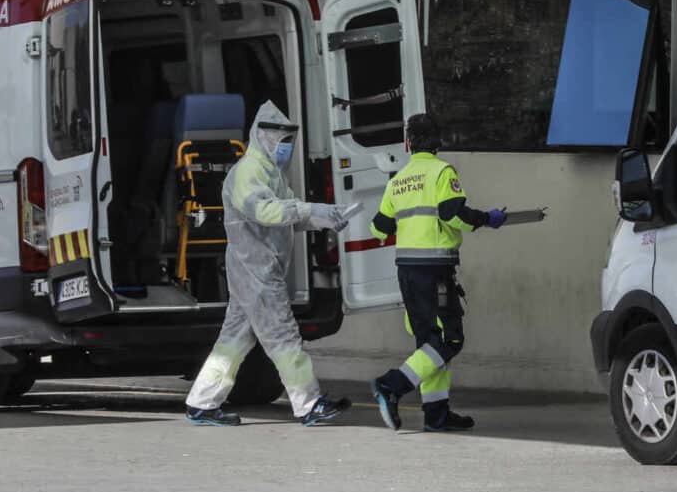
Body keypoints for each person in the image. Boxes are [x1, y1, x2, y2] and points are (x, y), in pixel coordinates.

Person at [186, 100, 351, 427]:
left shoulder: (270, 172)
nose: (286, 147)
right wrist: (309, 209)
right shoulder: (248, 172)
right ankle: (309, 403)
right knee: (284, 335)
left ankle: (202, 403)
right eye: (282, 140)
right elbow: (266, 212)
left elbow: (287, 217)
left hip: (256, 269)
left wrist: (323, 218)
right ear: (263, 137)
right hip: (257, 270)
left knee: (233, 341)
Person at [369, 113, 506, 432]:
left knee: (428, 342)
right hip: (435, 270)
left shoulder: (398, 179)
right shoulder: (442, 171)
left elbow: (379, 228)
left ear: (408, 143)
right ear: (437, 141)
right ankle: (391, 385)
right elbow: (452, 215)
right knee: (449, 338)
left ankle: (436, 414)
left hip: (407, 271)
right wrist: (488, 218)